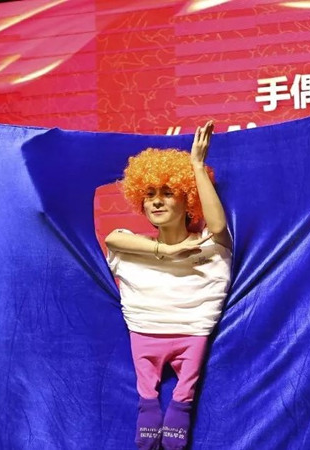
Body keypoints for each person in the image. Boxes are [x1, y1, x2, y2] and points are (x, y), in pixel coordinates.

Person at [105, 121, 232, 449]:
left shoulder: (209, 245)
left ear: (188, 200)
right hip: (144, 331)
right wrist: (167, 251)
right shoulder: (130, 246)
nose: (157, 202)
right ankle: (148, 406)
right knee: (147, 401)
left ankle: (180, 406)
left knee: (183, 396)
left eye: (168, 193)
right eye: (149, 195)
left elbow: (218, 226)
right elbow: (112, 238)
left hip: (192, 333)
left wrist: (197, 166)